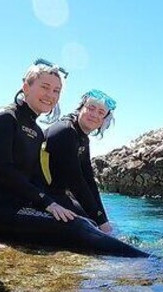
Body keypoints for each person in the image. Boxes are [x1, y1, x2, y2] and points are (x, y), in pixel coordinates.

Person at [0, 60, 148, 258]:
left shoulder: (37, 131)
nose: (50, 95)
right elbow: (2, 170)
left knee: (85, 223)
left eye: (56, 91)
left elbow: (38, 179)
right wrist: (49, 203)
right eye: (45, 87)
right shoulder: (5, 118)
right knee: (77, 227)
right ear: (26, 87)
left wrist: (50, 205)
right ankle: (147, 260)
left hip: (20, 207)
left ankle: (138, 254)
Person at [41, 89, 116, 234]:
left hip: (57, 196)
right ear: (81, 108)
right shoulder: (65, 131)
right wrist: (102, 224)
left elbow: (89, 180)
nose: (94, 114)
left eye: (101, 112)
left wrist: (103, 219)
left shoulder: (82, 138)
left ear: (104, 120)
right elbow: (76, 181)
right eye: (91, 108)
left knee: (97, 223)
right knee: (93, 226)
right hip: (43, 197)